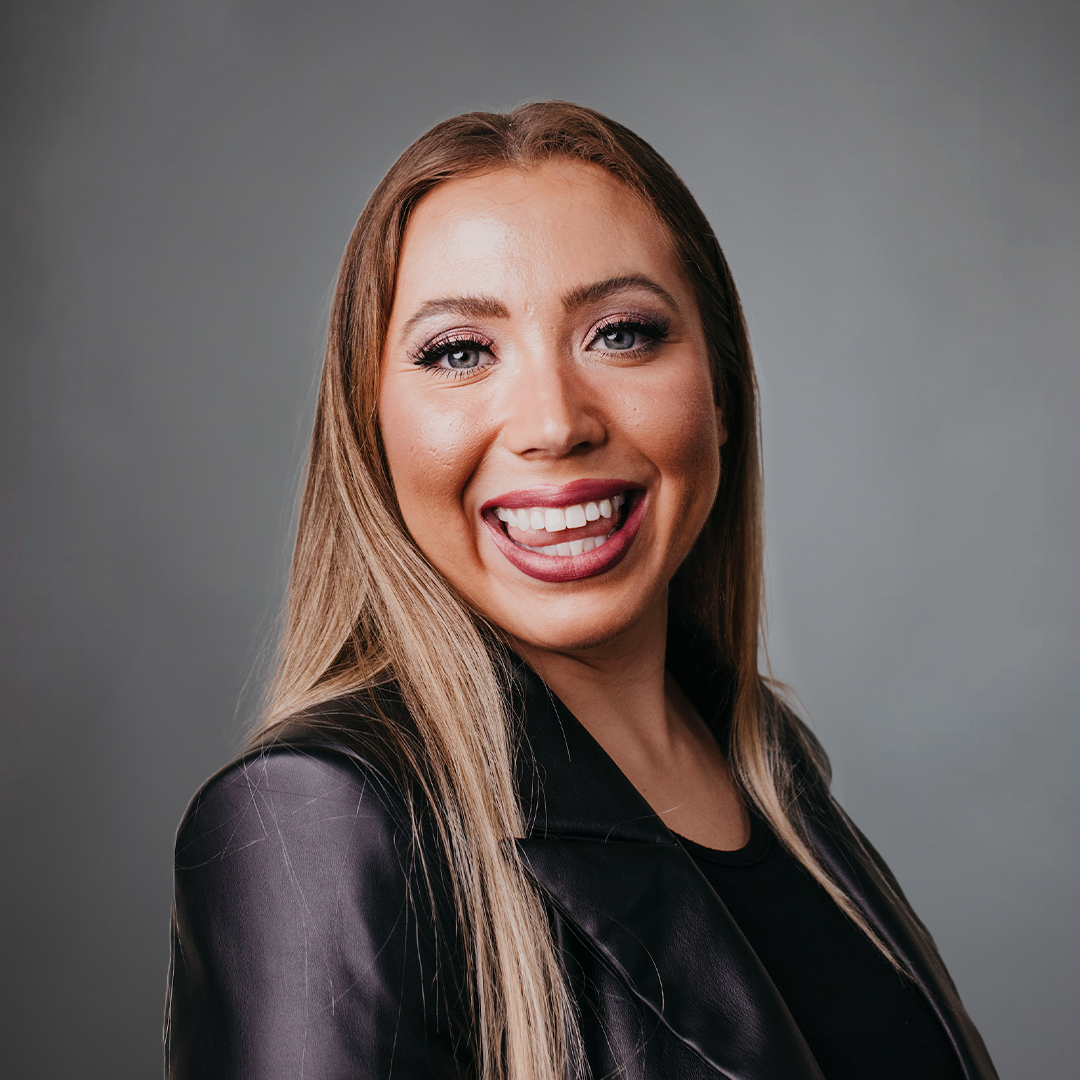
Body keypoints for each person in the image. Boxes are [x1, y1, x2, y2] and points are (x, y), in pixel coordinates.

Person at [165, 102, 998, 1080]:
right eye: (459, 352)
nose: (554, 425)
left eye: (622, 334)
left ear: (720, 397)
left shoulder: (769, 768)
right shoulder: (321, 823)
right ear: (371, 432)